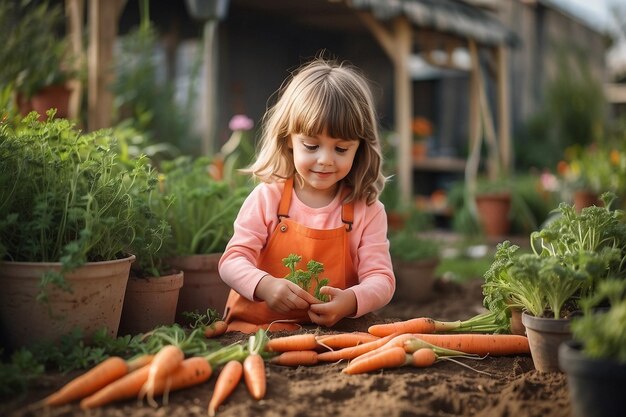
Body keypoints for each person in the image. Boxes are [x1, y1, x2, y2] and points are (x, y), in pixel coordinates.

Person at [218, 57, 395, 333]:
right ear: (289, 139)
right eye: (311, 146)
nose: (325, 159)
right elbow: (231, 262)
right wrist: (264, 285)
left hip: (331, 339)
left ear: (360, 148)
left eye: (341, 149)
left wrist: (351, 301)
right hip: (256, 333)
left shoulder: (367, 210)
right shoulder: (267, 198)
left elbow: (381, 279)